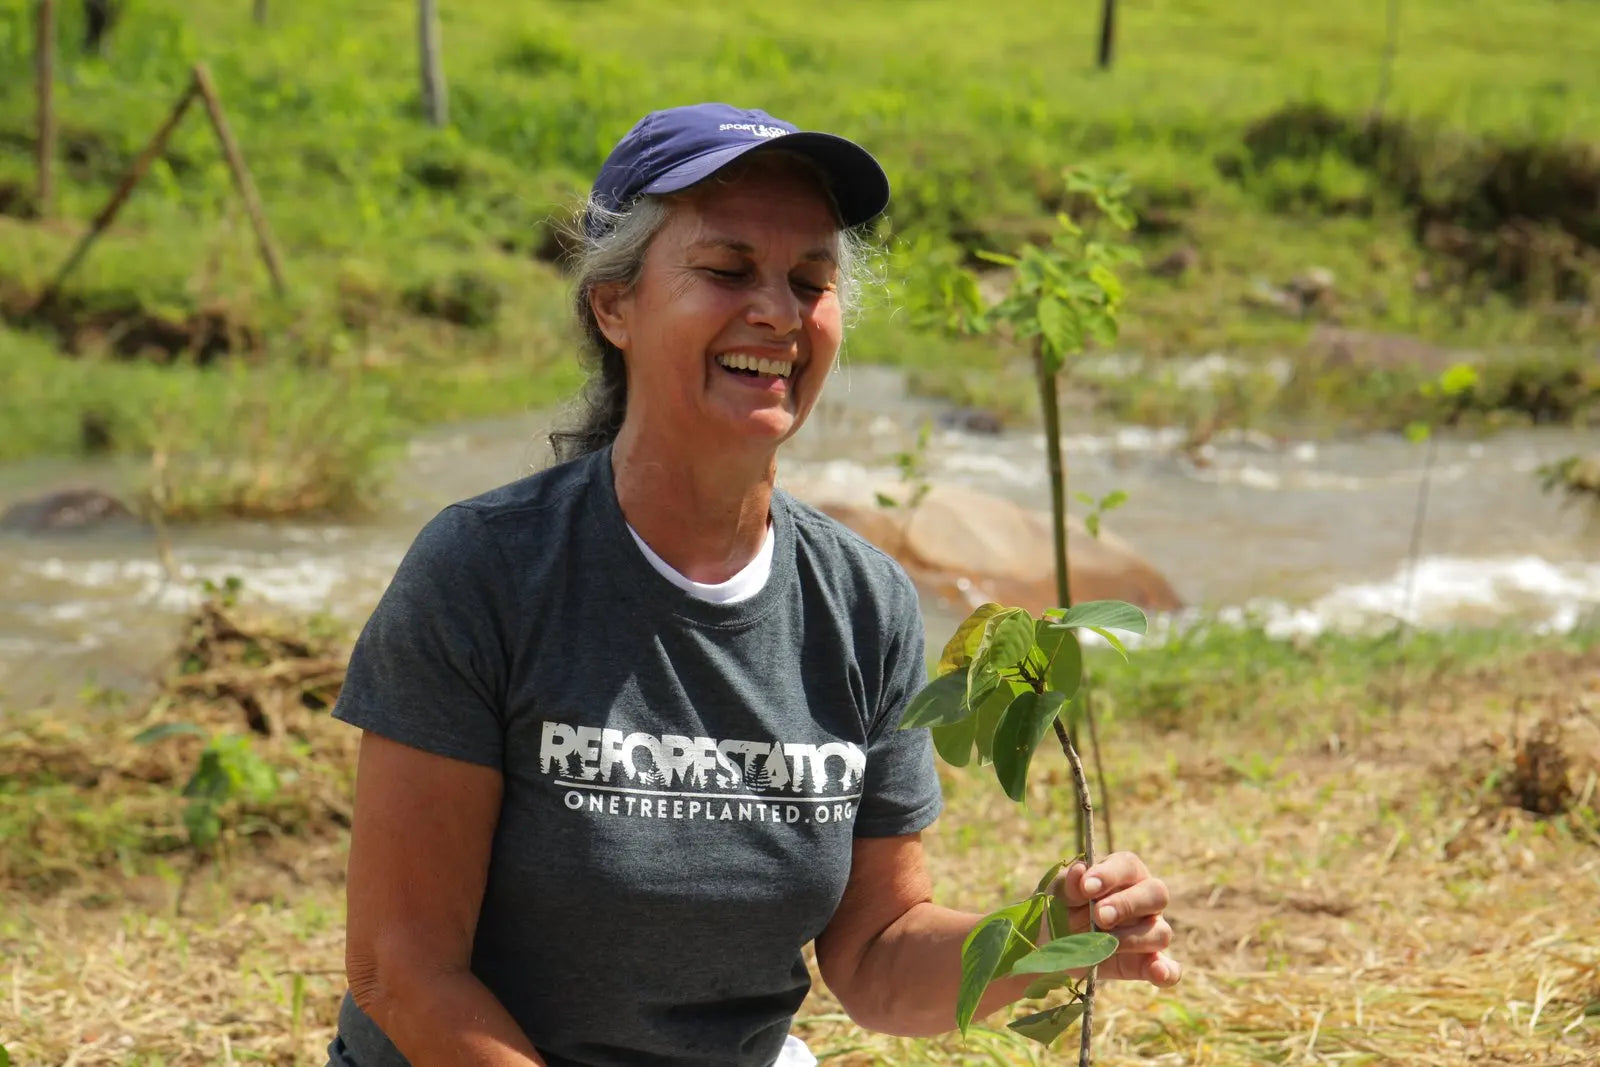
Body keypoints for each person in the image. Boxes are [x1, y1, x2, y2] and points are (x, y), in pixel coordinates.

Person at [327, 103, 1179, 1067]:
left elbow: (877, 954)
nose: (776, 311)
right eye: (727, 271)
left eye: (810, 280)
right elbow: (400, 969)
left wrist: (1044, 938)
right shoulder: (486, 572)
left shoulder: (863, 605)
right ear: (615, 306)